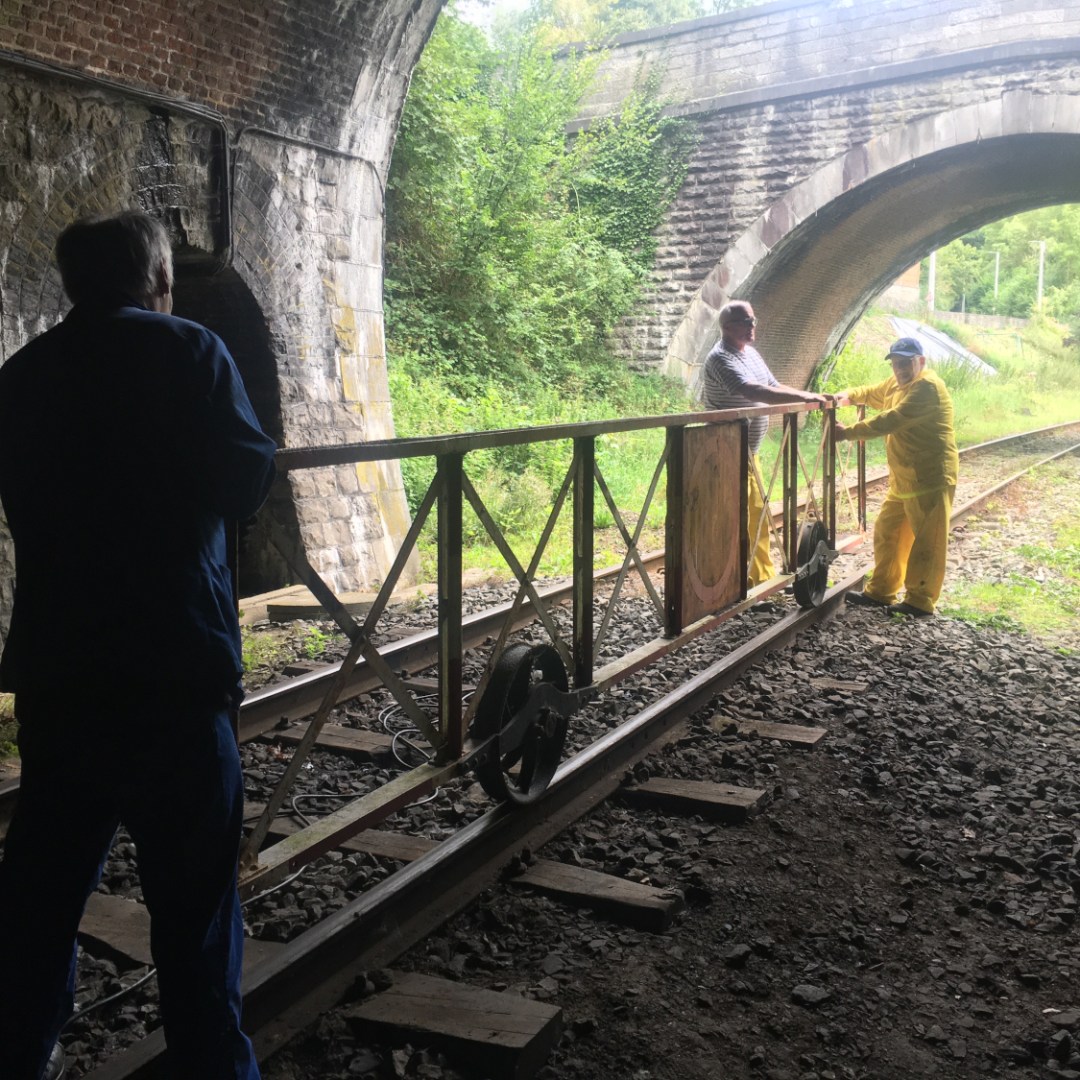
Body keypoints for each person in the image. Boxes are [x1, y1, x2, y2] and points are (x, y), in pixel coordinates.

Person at [0, 211, 277, 1080]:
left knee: (40, 901)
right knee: (195, 914)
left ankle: (19, 1052)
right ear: (156, 277)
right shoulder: (190, 352)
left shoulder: (22, 373)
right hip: (175, 673)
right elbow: (245, 478)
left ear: (74, 283)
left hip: (63, 674)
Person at [701, 300, 830, 587]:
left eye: (753, 320)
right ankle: (736, 579)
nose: (752, 326)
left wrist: (806, 394)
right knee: (738, 516)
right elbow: (753, 390)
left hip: (748, 452)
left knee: (755, 515)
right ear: (727, 326)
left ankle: (757, 578)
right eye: (746, 322)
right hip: (726, 451)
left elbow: (773, 384)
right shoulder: (720, 358)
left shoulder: (751, 354)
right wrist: (804, 399)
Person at [835, 336, 958, 617]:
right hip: (904, 478)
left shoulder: (927, 387)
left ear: (921, 362)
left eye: (907, 363)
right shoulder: (896, 383)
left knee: (928, 541)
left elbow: (892, 419)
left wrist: (848, 432)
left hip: (930, 477)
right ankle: (881, 592)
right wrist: (847, 395)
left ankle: (920, 600)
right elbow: (871, 391)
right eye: (897, 364)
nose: (900, 369)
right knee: (888, 530)